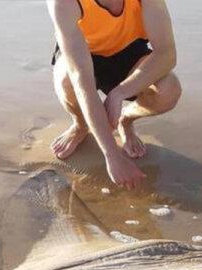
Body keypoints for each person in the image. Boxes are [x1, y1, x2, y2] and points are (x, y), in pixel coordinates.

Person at [47, 0, 181, 190]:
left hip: (129, 50)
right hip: (85, 53)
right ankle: (80, 125)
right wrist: (112, 154)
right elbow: (81, 80)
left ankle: (125, 121)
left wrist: (119, 94)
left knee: (169, 89)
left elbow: (167, 54)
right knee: (67, 78)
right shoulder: (63, 3)